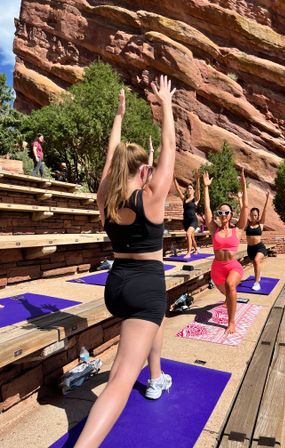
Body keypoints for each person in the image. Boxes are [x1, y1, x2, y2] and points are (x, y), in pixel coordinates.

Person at [74, 76, 176, 448]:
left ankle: (156, 375)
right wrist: (165, 105)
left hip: (116, 285)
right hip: (146, 284)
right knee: (119, 378)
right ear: (142, 170)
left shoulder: (106, 197)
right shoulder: (151, 196)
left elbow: (111, 158)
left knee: (153, 323)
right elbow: (170, 147)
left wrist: (118, 116)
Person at [203, 168, 248, 334]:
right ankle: (229, 300)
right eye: (220, 212)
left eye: (226, 212)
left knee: (230, 286)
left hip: (232, 266)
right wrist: (206, 187)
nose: (223, 215)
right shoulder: (214, 229)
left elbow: (246, 209)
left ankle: (231, 322)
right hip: (217, 269)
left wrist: (243, 187)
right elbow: (206, 209)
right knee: (226, 293)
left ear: (230, 215)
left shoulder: (238, 229)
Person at [243, 192, 270, 291]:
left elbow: (265, 211)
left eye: (255, 215)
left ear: (258, 216)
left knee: (256, 260)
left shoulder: (261, 224)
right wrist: (239, 198)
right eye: (252, 215)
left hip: (260, 247)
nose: (253, 217)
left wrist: (267, 199)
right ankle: (258, 275)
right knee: (255, 264)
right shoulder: (247, 224)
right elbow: (243, 211)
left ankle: (257, 282)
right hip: (250, 248)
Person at [174, 171, 201, 258]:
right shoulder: (184, 199)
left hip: (193, 220)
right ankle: (196, 250)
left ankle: (188, 253)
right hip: (186, 221)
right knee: (192, 237)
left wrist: (197, 180)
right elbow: (178, 190)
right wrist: (174, 180)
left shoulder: (196, 199)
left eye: (190, 188)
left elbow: (198, 190)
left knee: (188, 234)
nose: (189, 189)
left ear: (193, 190)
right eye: (188, 188)